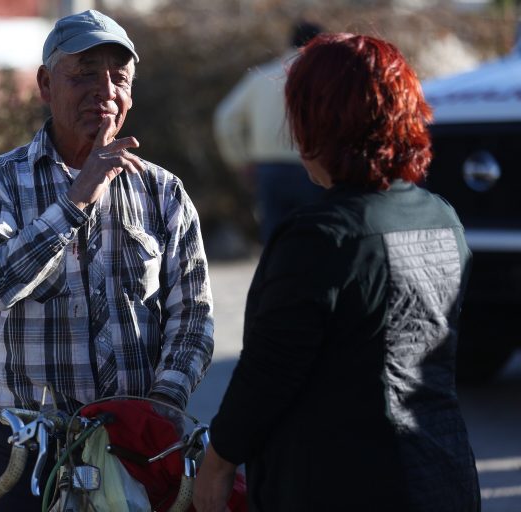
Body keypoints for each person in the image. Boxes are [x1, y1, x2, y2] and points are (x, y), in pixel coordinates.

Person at [194, 33, 480, 512]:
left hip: (344, 483)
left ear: (318, 124)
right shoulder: (442, 218)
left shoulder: (321, 237)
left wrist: (218, 463)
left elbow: (269, 372)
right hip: (442, 472)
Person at [0, 9, 214, 510]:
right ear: (45, 85)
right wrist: (77, 199)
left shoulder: (163, 192)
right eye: (84, 74)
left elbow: (193, 316)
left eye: (118, 77)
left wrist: (162, 402)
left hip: (136, 446)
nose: (105, 90)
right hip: (27, 450)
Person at [214, 21, 324, 246]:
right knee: (316, 240)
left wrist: (239, 159)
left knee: (275, 242)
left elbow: (225, 118)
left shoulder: (262, 75)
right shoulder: (325, 76)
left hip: (269, 170)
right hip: (314, 170)